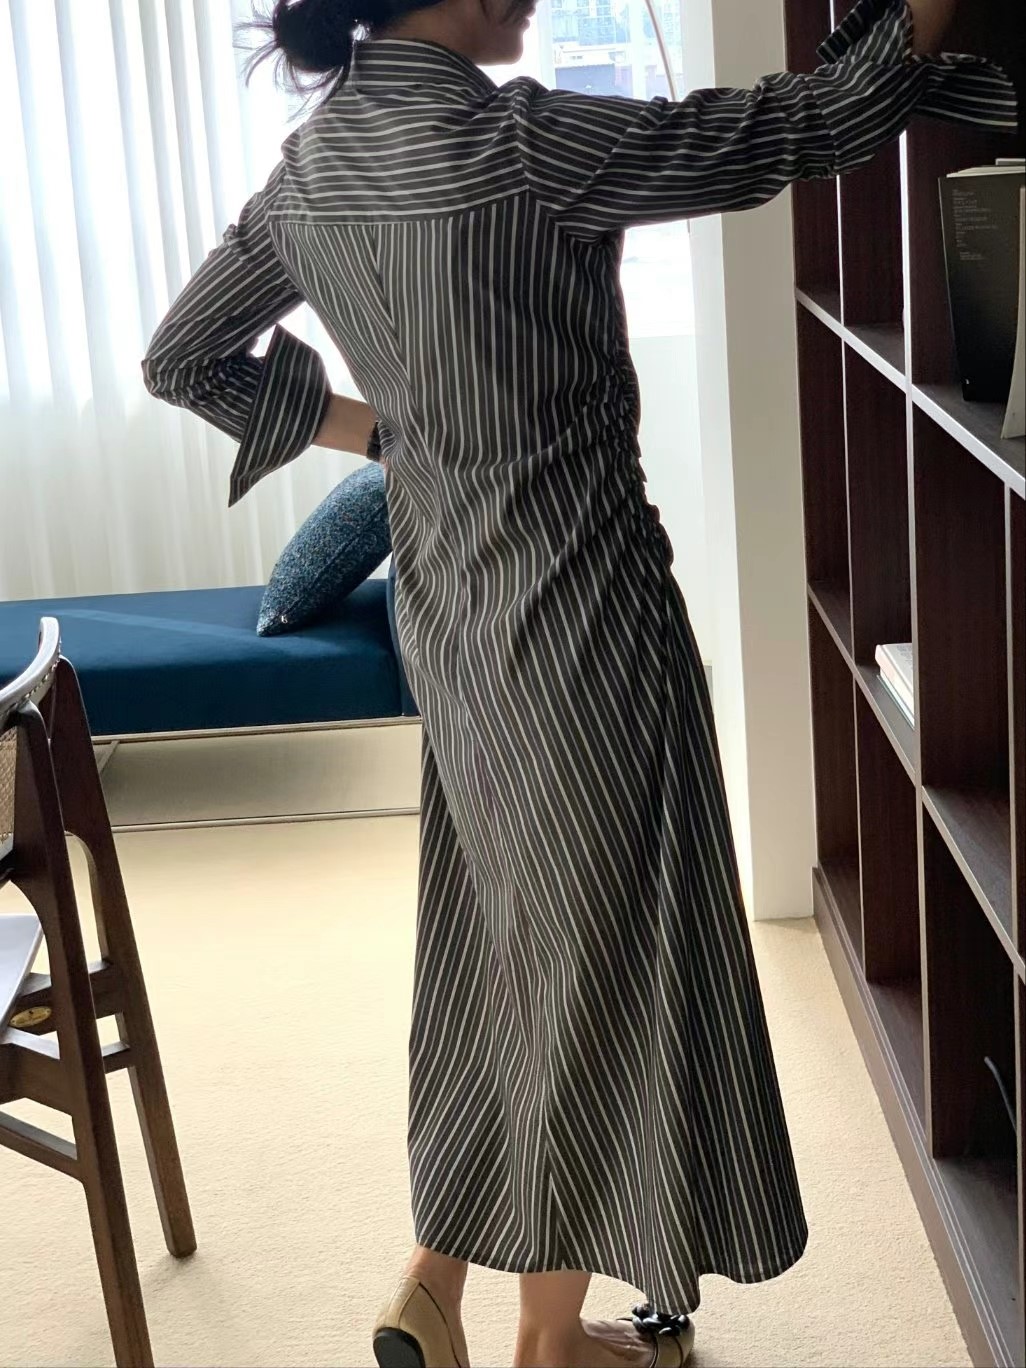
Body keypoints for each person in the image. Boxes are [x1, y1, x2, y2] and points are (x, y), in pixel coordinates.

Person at [142, 0, 1017, 1363]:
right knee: (596, 957)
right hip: (588, 612)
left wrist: (391, 435)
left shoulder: (310, 166)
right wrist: (920, 22)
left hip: (450, 609)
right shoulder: (523, 144)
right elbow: (793, 128)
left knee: (509, 932)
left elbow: (178, 359)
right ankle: (545, 1341)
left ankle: (435, 1279)